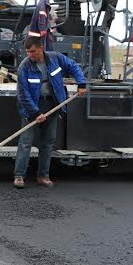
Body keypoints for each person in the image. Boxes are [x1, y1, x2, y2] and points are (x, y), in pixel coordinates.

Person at [14, 36, 87, 188]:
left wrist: (81, 83)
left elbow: (73, 66)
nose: (30, 55)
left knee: (47, 142)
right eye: (27, 52)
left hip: (52, 105)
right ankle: (19, 176)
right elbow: (23, 94)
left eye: (32, 51)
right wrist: (35, 113)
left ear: (41, 48)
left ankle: (43, 176)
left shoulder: (56, 59)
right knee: (26, 142)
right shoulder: (24, 67)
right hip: (32, 107)